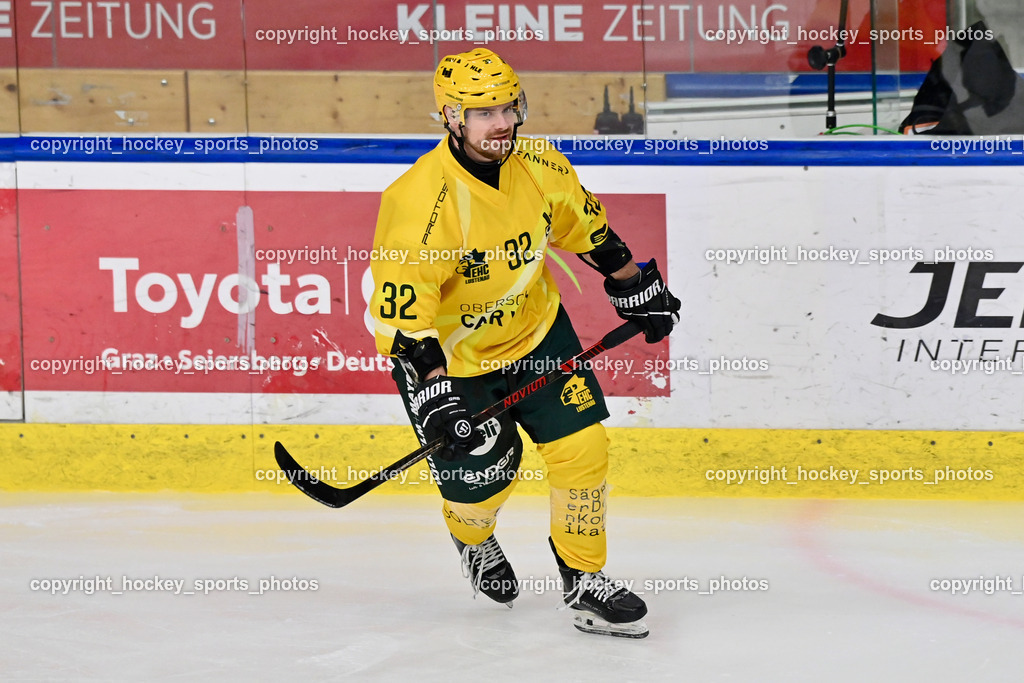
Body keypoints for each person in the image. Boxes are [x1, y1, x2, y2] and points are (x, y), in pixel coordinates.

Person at [369, 47, 680, 638]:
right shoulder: (420, 201)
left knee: (584, 449)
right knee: (485, 478)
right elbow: (407, 317)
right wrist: (434, 393)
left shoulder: (540, 163)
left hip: (538, 335)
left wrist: (634, 286)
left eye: (508, 107)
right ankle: (472, 537)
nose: (502, 123)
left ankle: (584, 579)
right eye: (484, 112)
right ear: (451, 117)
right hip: (453, 362)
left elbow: (588, 231)